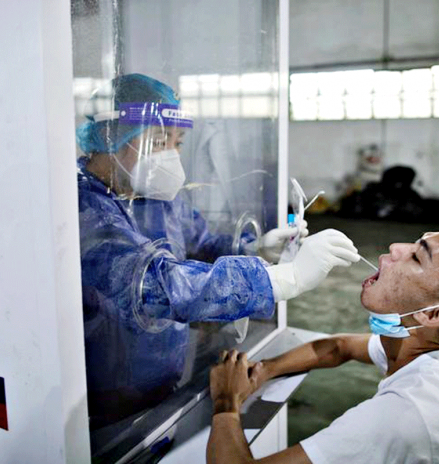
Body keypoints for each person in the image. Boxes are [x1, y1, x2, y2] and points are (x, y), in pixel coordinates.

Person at [76, 73, 361, 428]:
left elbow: (202, 245)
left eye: (178, 142)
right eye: (160, 140)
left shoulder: (159, 199)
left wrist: (255, 248)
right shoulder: (82, 209)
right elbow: (151, 287)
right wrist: (283, 279)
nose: (173, 155)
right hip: (105, 404)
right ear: (112, 137)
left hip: (163, 386)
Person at [207, 212, 439, 464]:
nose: (395, 248)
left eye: (417, 257)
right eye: (416, 242)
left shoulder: (402, 416)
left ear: (432, 314)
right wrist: (262, 372)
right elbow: (340, 347)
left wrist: (227, 400)